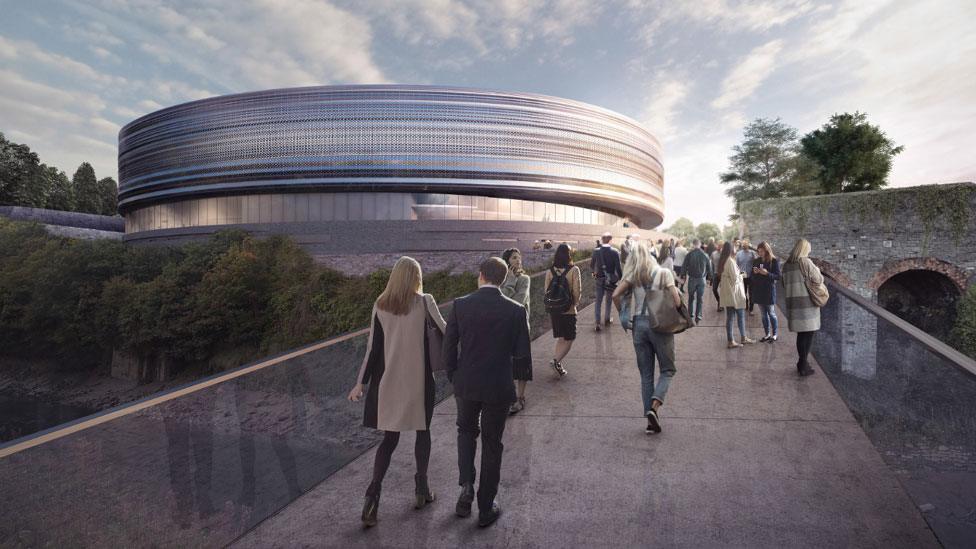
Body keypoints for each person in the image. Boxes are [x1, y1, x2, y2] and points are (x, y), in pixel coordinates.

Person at [348, 257, 447, 527]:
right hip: (419, 381)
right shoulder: (425, 301)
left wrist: (361, 383)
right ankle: (421, 490)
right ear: (416, 276)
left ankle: (372, 497)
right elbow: (446, 332)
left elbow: (372, 348)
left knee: (389, 441)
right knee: (423, 433)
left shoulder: (380, 304)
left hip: (387, 382)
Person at [443, 257, 531, 527]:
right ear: (504, 280)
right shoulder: (516, 310)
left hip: (466, 384)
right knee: (493, 443)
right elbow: (522, 355)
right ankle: (485, 506)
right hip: (498, 386)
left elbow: (448, 349)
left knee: (466, 433)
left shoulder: (460, 305)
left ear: (480, 275)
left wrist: (454, 377)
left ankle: (466, 488)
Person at [612, 242, 680, 434]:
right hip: (659, 324)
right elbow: (676, 301)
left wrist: (623, 313)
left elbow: (615, 295)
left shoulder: (633, 277)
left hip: (639, 326)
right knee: (667, 370)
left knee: (646, 375)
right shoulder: (664, 273)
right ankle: (654, 408)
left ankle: (650, 422)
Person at [782, 239, 824, 376]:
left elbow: (783, 283)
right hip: (807, 304)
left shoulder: (787, 264)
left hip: (794, 304)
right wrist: (817, 269)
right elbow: (818, 279)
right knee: (809, 334)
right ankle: (803, 364)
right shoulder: (805, 262)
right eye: (809, 249)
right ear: (804, 249)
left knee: (801, 334)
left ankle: (802, 363)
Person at [500, 248, 532, 414]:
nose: (518, 260)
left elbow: (518, 302)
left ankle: (520, 397)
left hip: (520, 327)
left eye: (519, 257)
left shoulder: (525, 279)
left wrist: (510, 284)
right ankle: (510, 396)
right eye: (514, 258)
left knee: (521, 362)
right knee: (507, 363)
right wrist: (509, 282)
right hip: (505, 328)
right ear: (507, 261)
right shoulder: (501, 280)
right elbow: (499, 303)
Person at [544, 243, 581, 377]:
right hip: (568, 309)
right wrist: (575, 304)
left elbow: (546, 290)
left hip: (555, 310)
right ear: (568, 255)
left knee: (561, 338)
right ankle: (555, 361)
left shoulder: (550, 271)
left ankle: (557, 364)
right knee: (570, 338)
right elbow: (577, 290)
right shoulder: (574, 269)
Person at [718, 242, 754, 348]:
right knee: (740, 316)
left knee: (730, 318)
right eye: (734, 247)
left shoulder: (723, 261)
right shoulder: (730, 261)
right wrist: (742, 275)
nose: (736, 249)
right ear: (730, 249)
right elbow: (735, 279)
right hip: (734, 294)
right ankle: (742, 338)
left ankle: (731, 340)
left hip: (728, 293)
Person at [590, 232, 622, 331]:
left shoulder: (596, 251)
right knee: (608, 300)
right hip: (611, 279)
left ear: (602, 239)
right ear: (611, 240)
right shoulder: (615, 252)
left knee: (598, 300)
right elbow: (618, 268)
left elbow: (592, 265)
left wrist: (594, 274)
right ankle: (607, 319)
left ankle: (597, 323)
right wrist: (620, 278)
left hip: (599, 278)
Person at [751, 241, 781, 342]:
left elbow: (778, 276)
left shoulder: (774, 261)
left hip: (769, 291)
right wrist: (755, 273)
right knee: (763, 315)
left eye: (762, 251)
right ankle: (767, 334)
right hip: (759, 291)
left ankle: (775, 334)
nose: (760, 253)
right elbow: (752, 276)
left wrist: (767, 273)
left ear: (767, 250)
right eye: (758, 251)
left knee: (771, 313)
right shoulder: (756, 260)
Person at [682, 239, 712, 325]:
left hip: (692, 279)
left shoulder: (689, 254)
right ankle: (698, 317)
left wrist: (683, 275)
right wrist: (709, 278)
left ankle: (690, 315)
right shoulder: (705, 255)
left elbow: (684, 266)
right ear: (699, 245)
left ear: (693, 244)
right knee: (700, 298)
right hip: (702, 279)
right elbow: (709, 268)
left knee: (691, 298)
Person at [736, 240, 758, 315]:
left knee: (752, 293)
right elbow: (737, 265)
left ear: (748, 245)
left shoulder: (752, 253)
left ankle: (751, 309)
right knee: (743, 293)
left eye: (746, 245)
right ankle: (746, 304)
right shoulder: (738, 254)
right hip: (742, 275)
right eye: (743, 245)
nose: (744, 246)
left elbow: (757, 263)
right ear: (742, 246)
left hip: (751, 275)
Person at [710, 241, 723, 312]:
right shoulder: (713, 253)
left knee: (723, 290)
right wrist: (711, 274)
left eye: (720, 246)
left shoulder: (724, 254)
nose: (719, 247)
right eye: (718, 245)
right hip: (715, 274)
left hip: (723, 274)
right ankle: (719, 301)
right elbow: (711, 264)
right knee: (714, 289)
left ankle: (720, 305)